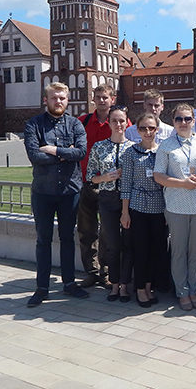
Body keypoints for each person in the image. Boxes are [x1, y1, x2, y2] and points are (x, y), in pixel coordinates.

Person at [23, 82, 88, 307]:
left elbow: (80, 152)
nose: (58, 102)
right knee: (43, 240)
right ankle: (42, 287)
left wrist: (53, 150)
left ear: (67, 100)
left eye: (61, 98)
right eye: (53, 98)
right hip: (43, 192)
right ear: (46, 100)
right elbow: (34, 156)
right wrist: (65, 154)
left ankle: (69, 283)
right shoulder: (34, 125)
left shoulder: (75, 125)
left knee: (68, 238)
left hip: (70, 191)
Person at [153, 103, 196, 311]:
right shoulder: (166, 145)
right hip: (176, 205)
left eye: (188, 119)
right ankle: (182, 291)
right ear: (173, 122)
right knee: (179, 252)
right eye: (179, 119)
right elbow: (158, 176)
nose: (183, 122)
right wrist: (182, 183)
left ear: (193, 121)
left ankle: (193, 289)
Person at [120, 113, 168, 308]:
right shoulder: (131, 153)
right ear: (137, 130)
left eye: (151, 128)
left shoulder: (163, 152)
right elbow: (125, 184)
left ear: (157, 130)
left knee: (156, 250)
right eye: (143, 128)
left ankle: (149, 286)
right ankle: (140, 288)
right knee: (140, 250)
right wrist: (125, 212)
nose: (148, 132)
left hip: (159, 207)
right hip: (138, 207)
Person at [86, 105, 133, 303]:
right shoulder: (99, 146)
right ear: (110, 123)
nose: (118, 124)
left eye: (121, 120)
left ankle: (125, 285)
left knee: (128, 245)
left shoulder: (133, 147)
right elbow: (90, 177)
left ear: (126, 122)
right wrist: (105, 177)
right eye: (114, 120)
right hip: (107, 199)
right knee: (112, 244)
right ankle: (114, 284)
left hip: (129, 200)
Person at [77, 85, 114, 290]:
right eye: (98, 97)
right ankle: (91, 272)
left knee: (108, 231)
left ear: (112, 98)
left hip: (109, 185)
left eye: (105, 97)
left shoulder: (118, 120)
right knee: (86, 230)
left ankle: (106, 272)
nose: (101, 101)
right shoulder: (82, 122)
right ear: (93, 99)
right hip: (85, 183)